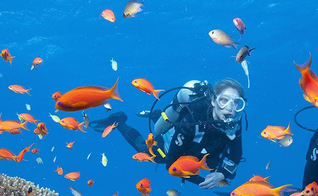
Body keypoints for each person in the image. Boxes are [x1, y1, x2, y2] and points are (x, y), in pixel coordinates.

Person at [90, 78, 246, 189]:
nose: (230, 108)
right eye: (224, 100)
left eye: (236, 102)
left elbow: (236, 155)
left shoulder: (233, 123)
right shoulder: (192, 120)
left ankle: (157, 114)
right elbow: (171, 163)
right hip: (172, 145)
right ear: (214, 101)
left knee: (212, 164)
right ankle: (118, 121)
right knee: (148, 152)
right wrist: (202, 180)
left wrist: (221, 175)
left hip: (199, 153)